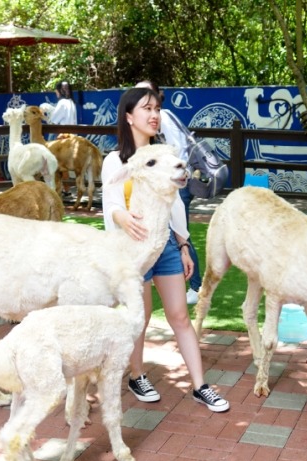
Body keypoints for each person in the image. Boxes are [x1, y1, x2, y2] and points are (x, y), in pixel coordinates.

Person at [101, 86, 229, 413]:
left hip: (166, 246)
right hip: (133, 250)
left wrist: (183, 244)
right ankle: (137, 375)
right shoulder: (116, 160)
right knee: (139, 318)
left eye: (156, 108)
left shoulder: (165, 154)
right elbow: (111, 201)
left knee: (180, 316)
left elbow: (175, 206)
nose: (154, 114)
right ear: (129, 116)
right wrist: (121, 217)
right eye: (146, 108)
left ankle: (200, 385)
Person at [136, 80, 202, 305]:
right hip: (169, 182)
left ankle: (196, 286)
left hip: (175, 182)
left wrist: (171, 173)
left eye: (147, 93)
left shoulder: (162, 117)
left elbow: (176, 152)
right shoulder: (160, 118)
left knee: (180, 232)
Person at [49, 81, 78, 196]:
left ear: (60, 91)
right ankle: (66, 188)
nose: (56, 93)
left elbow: (54, 120)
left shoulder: (62, 103)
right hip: (73, 137)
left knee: (61, 164)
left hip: (63, 137)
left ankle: (64, 189)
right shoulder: (71, 102)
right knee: (65, 164)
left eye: (56, 91)